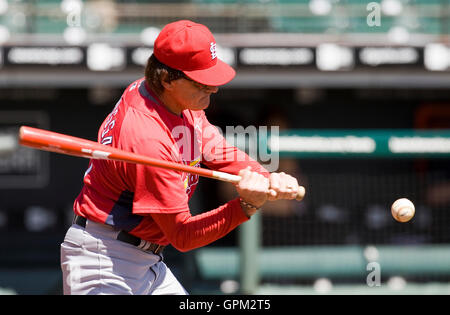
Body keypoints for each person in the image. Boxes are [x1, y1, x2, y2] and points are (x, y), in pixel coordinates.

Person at [60, 20, 301, 295]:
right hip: (106, 261)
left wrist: (266, 178)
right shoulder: (147, 139)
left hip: (146, 260)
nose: (212, 89)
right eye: (201, 83)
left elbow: (218, 150)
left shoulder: (173, 100)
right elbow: (184, 236)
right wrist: (246, 206)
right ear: (166, 79)